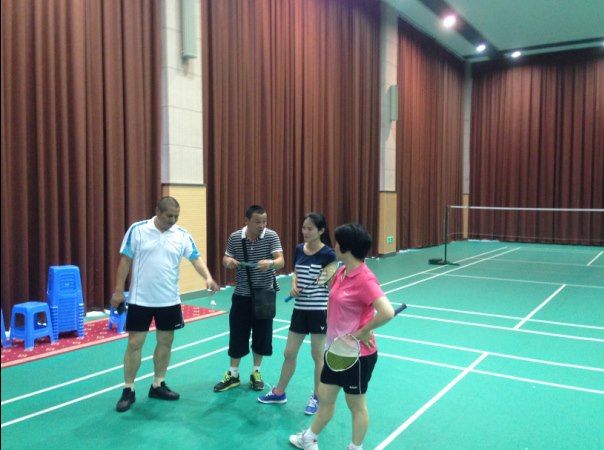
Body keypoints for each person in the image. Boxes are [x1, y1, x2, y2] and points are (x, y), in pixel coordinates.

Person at [289, 223, 395, 450]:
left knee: (355, 405)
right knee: (325, 396)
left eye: (337, 242)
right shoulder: (341, 272)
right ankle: (309, 438)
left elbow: (387, 312)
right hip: (336, 349)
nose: (334, 246)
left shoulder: (365, 279)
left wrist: (364, 331)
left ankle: (355, 447)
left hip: (357, 355)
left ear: (346, 248)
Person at [111, 196, 219, 413]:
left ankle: (158, 384)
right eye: (169, 216)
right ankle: (128, 389)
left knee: (166, 341)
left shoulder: (182, 235)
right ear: (157, 212)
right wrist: (118, 291)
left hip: (169, 300)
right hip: (140, 299)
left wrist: (207, 277)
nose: (173, 220)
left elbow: (195, 258)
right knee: (135, 343)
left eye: (176, 216)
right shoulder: (138, 230)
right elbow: (125, 261)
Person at [258, 212, 336, 414]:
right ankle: (279, 393)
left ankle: (317, 397)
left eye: (310, 228)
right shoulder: (299, 249)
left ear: (321, 230)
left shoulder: (328, 254)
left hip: (318, 310)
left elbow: (331, 283)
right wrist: (293, 286)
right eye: (304, 228)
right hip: (300, 309)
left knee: (317, 355)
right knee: (289, 353)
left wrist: (329, 280)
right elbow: (296, 273)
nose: (305, 232)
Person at [214, 204, 285, 392]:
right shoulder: (235, 237)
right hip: (242, 295)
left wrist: (270, 263)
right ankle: (233, 374)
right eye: (257, 222)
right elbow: (225, 258)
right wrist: (229, 262)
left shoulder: (271, 236)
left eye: (264, 221)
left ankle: (256, 372)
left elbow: (281, 261)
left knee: (262, 335)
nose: (261, 225)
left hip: (264, 295)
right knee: (237, 334)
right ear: (246, 221)